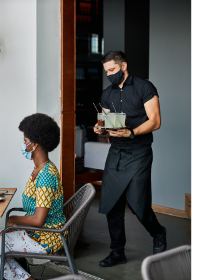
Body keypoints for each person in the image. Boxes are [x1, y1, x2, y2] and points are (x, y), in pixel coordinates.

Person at [92, 50, 167, 267]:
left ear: (124, 66)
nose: (109, 75)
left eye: (112, 70)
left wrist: (132, 132)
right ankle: (117, 252)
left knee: (138, 205)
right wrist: (101, 129)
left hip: (140, 151)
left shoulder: (145, 88)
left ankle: (158, 232)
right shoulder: (107, 94)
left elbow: (155, 121)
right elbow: (108, 124)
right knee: (112, 203)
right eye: (106, 72)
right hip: (116, 152)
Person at [0, 113, 65, 280]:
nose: (23, 145)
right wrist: (19, 222)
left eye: (25, 141)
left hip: (45, 236)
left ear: (35, 145)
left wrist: (14, 220)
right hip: (39, 231)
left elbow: (39, 219)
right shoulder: (39, 169)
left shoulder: (46, 176)